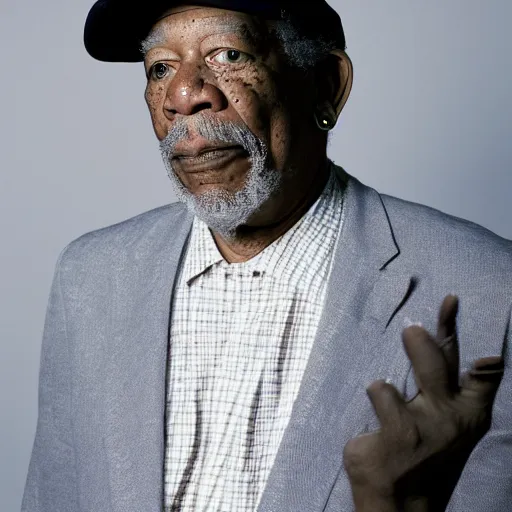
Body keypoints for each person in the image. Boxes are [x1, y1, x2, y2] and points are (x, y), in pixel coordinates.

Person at [22, 1, 512, 511]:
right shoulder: (89, 277)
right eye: (161, 68)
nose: (184, 95)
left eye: (229, 55)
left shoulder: (494, 290)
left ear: (327, 86)